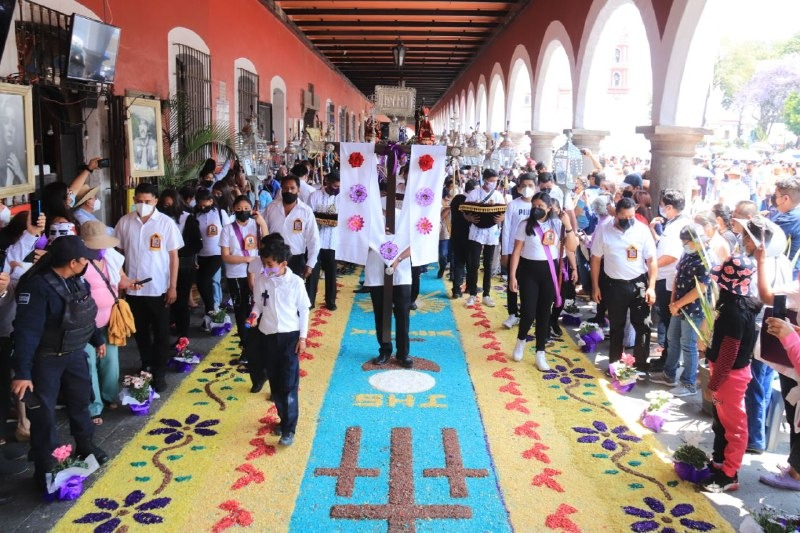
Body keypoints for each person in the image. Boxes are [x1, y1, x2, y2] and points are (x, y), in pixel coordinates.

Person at [11, 236, 109, 488]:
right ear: (73, 262)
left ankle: (85, 446)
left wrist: (98, 338)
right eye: (85, 258)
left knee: (80, 402)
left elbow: (87, 314)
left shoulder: (77, 280)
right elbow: (26, 332)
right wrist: (22, 372)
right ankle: (46, 466)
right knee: (44, 416)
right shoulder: (38, 287)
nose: (88, 262)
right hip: (46, 361)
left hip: (74, 354)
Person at [114, 182, 184, 391]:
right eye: (139, 201)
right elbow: (117, 253)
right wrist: (121, 281)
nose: (142, 205)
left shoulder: (165, 223)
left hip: (159, 289)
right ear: (134, 199)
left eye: (147, 201)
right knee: (140, 331)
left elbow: (174, 257)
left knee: (162, 332)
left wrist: (173, 286)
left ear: (155, 201)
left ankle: (159, 372)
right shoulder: (125, 222)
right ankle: (146, 364)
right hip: (134, 288)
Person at [701, 253, 760, 493]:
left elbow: (728, 354)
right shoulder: (737, 306)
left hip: (729, 378)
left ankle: (729, 473)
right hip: (725, 375)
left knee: (734, 427)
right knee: (721, 423)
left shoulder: (734, 313)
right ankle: (718, 462)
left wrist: (712, 385)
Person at [245, 239, 310, 446]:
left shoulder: (296, 283)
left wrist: (303, 337)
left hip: (290, 337)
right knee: (275, 383)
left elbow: (304, 311)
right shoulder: (263, 280)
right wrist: (254, 315)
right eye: (264, 264)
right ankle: (283, 420)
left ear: (283, 263)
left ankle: (289, 429)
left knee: (289, 384)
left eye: (271, 264)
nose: (266, 268)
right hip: (268, 336)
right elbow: (258, 304)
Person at [509, 192, 578, 371]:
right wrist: (512, 276)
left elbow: (571, 247)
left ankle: (540, 352)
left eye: (541, 206)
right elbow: (516, 251)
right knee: (528, 312)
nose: (536, 209)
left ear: (549, 208)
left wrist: (568, 224)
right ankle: (521, 340)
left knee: (544, 314)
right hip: (528, 272)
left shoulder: (557, 225)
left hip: (549, 273)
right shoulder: (525, 224)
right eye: (534, 206)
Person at [590, 197, 657, 372]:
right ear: (616, 214)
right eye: (624, 217)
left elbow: (651, 260)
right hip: (613, 286)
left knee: (642, 325)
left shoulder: (642, 230)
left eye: (631, 216)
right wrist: (595, 286)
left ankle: (640, 365)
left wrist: (651, 286)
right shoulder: (604, 229)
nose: (628, 220)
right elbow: (595, 259)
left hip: (638, 284)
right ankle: (614, 364)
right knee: (616, 326)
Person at [650, 226, 710, 396]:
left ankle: (688, 382)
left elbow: (701, 288)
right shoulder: (688, 253)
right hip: (678, 304)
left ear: (697, 241)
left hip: (693, 308)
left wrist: (678, 304)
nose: (684, 245)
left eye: (687, 242)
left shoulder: (706, 258)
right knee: (672, 338)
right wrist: (673, 302)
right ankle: (669, 374)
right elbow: (678, 276)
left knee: (688, 344)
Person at [81, 220, 130, 425]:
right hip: (86, 322)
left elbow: (122, 280)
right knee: (89, 362)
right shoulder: (79, 262)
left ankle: (110, 395)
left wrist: (132, 284)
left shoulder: (110, 256)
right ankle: (94, 407)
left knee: (111, 360)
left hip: (110, 318)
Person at [220, 195, 267, 361]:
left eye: (247, 208)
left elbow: (267, 244)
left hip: (257, 273)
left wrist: (262, 223)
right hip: (236, 275)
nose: (243, 212)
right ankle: (246, 347)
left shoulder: (256, 225)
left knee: (258, 308)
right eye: (239, 209)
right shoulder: (227, 229)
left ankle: (258, 344)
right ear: (233, 209)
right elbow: (225, 256)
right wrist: (246, 259)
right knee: (241, 312)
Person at [649, 189, 691, 372]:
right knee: (666, 321)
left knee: (666, 322)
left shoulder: (678, 227)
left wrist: (651, 267)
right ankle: (666, 358)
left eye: (662, 205)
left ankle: (667, 361)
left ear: (669, 207)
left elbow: (671, 256)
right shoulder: (673, 223)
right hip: (664, 276)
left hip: (668, 279)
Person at [261, 174, 320, 297]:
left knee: (294, 296)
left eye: (292, 188)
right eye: (285, 188)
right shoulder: (271, 207)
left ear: (298, 190)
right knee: (272, 293)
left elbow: (313, 239)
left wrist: (310, 264)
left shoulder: (306, 211)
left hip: (296, 259)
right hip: (273, 259)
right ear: (281, 189)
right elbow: (263, 231)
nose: (289, 191)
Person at [157, 189, 202, 339]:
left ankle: (183, 336)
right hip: (162, 267)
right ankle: (170, 327)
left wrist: (176, 253)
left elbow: (197, 244)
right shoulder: (158, 220)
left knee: (181, 301)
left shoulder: (187, 219)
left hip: (183, 266)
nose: (167, 208)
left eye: (170, 205)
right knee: (165, 301)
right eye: (164, 205)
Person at [463, 169, 505, 307]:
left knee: (488, 264)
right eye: (491, 180)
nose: (493, 183)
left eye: (495, 181)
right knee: (473, 263)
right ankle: (472, 294)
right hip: (476, 231)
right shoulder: (474, 193)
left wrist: (502, 217)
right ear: (484, 179)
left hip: (492, 232)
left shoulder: (498, 195)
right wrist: (469, 217)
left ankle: (486, 294)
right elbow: (465, 210)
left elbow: (504, 212)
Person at [501, 173, 535, 329]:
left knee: (529, 285)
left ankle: (528, 314)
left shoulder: (538, 206)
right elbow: (506, 229)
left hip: (532, 254)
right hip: (514, 251)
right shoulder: (513, 205)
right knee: (512, 282)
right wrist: (505, 252)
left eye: (531, 185)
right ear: (519, 187)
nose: (527, 189)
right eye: (524, 185)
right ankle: (513, 314)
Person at [195, 188, 232, 318]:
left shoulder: (220, 213)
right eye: (200, 204)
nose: (202, 207)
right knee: (201, 281)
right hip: (201, 254)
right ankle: (209, 309)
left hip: (217, 253)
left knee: (204, 279)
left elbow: (229, 231)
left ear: (211, 201)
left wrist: (228, 250)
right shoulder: (196, 215)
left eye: (205, 204)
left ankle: (211, 307)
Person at [307, 171, 340, 310]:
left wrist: (325, 218)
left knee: (331, 273)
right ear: (326, 182)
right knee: (312, 271)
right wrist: (329, 218)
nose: (336, 189)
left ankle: (330, 301)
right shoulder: (314, 196)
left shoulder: (341, 198)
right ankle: (309, 300)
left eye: (338, 187)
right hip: (316, 241)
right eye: (334, 186)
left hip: (332, 241)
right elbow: (309, 216)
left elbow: (342, 218)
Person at [450, 179, 475, 299]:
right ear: (471, 190)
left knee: (459, 263)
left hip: (456, 235)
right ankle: (469, 287)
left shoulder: (456, 199)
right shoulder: (471, 202)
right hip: (469, 237)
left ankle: (456, 289)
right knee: (470, 263)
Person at [771, 175, 800, 277]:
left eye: (776, 195)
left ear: (786, 198)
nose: (774, 200)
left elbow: (764, 236)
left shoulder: (791, 218)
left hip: (786, 274)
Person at [0, 94, 26, 188]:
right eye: (6, 121)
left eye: (14, 123)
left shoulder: (23, 163)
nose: (10, 128)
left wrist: (19, 172)